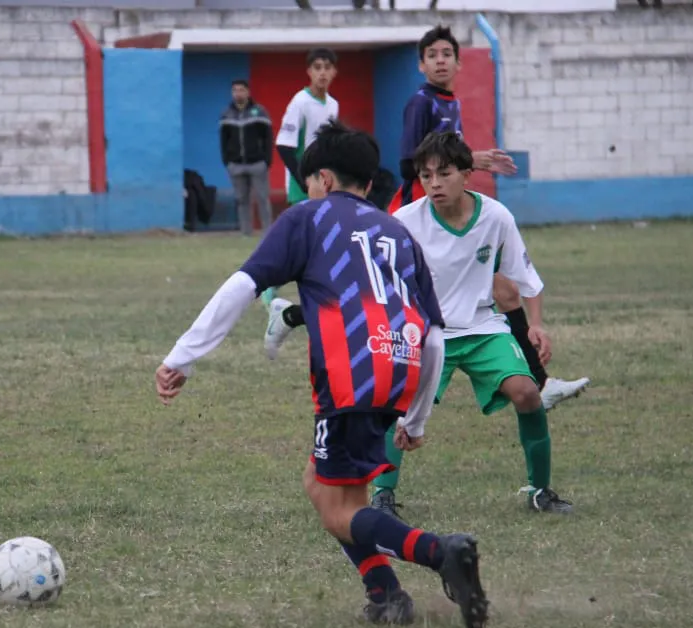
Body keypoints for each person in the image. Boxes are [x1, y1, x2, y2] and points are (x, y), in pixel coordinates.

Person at [154, 120, 489, 628]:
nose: (309, 191)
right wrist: (416, 420)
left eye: (310, 181)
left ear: (325, 180)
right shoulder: (398, 231)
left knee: (336, 511)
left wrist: (183, 355)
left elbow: (243, 285)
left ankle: (440, 552)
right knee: (325, 484)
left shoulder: (308, 218)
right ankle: (386, 595)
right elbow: (435, 337)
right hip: (399, 371)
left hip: (350, 376)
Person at [267, 26, 590, 413]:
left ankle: (540, 381)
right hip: (418, 215)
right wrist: (465, 161)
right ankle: (292, 315)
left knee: (504, 291)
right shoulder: (421, 103)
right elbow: (408, 162)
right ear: (421, 64)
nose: (440, 60)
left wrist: (471, 158)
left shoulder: (448, 102)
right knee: (373, 294)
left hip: (448, 218)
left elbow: (448, 155)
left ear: (458, 61)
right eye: (432, 55)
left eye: (446, 54)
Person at [380, 131, 574, 516]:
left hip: (483, 327)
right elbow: (382, 284)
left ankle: (541, 492)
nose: (434, 183)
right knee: (395, 408)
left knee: (527, 393)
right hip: (429, 333)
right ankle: (382, 496)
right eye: (425, 175)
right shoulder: (404, 222)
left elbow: (524, 276)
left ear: (467, 174)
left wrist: (535, 325)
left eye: (444, 173)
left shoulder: (496, 217)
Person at [259, 48, 339, 309]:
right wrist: (304, 178)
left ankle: (320, 287)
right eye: (317, 67)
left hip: (325, 181)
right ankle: (269, 283)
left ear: (334, 71)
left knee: (319, 237)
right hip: (302, 181)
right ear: (309, 71)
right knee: (301, 237)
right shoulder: (300, 102)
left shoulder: (333, 105)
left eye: (327, 67)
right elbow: (284, 145)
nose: (323, 72)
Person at [220, 79, 274, 235]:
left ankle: (268, 232)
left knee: (262, 198)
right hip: (236, 165)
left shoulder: (260, 112)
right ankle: (246, 232)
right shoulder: (226, 115)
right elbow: (223, 140)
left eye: (241, 90)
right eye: (235, 90)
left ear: (248, 92)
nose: (238, 93)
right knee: (242, 200)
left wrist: (266, 160)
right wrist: (227, 161)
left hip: (257, 164)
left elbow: (268, 138)